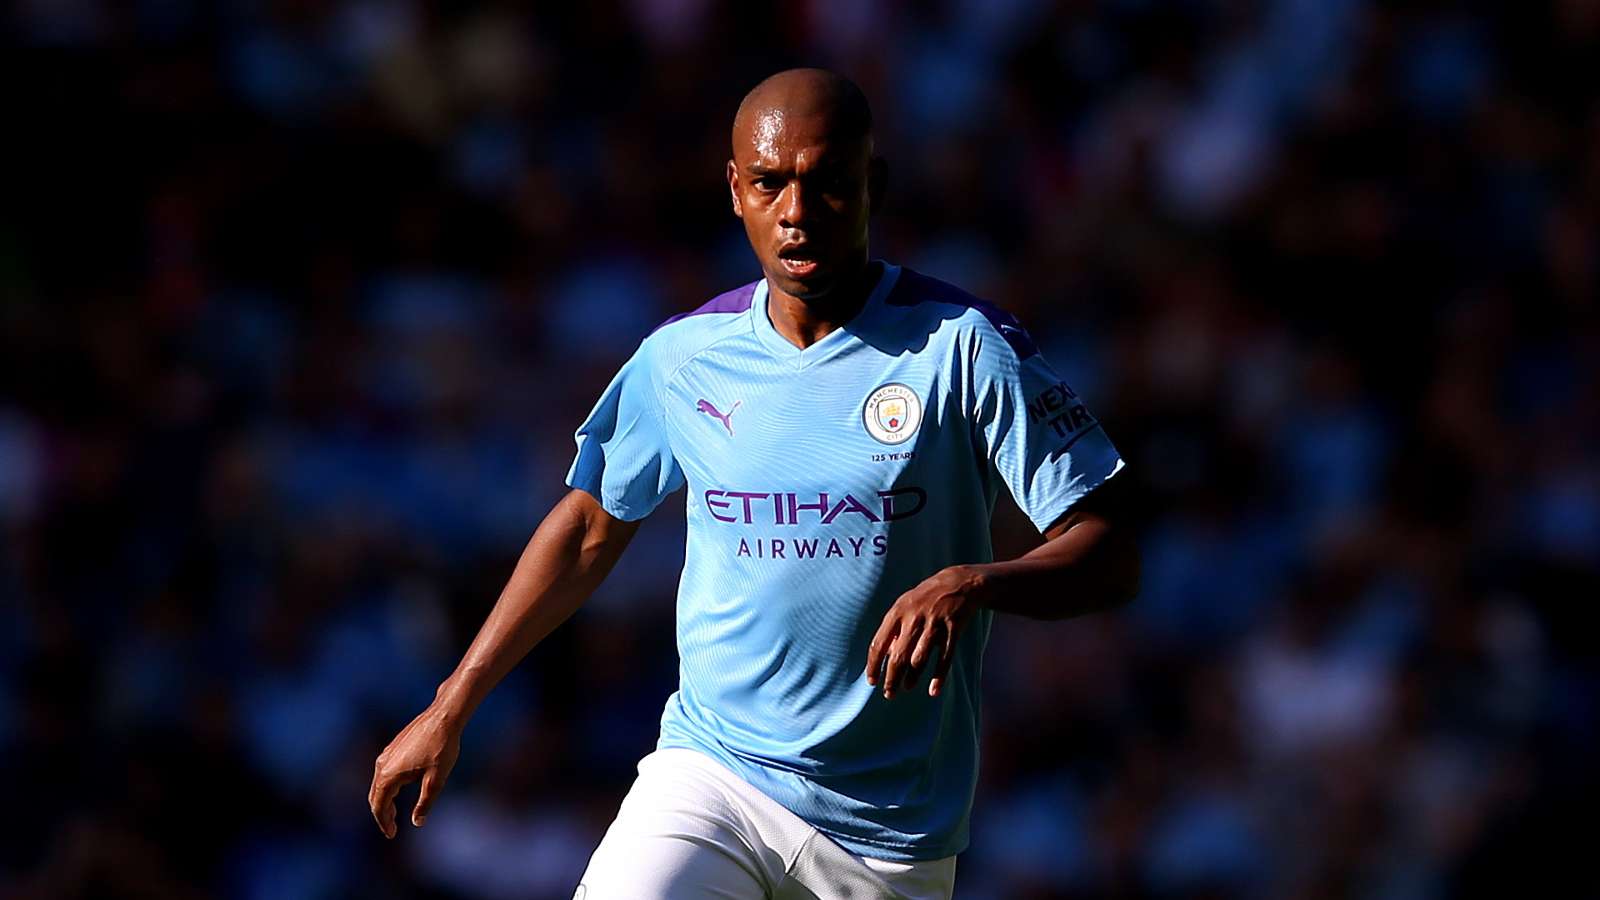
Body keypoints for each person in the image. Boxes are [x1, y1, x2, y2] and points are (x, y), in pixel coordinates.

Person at [368, 68, 1140, 899]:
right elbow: (589, 527)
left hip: (888, 828)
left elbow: (1111, 551)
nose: (796, 212)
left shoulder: (964, 346)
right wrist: (452, 703)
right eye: (770, 184)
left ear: (872, 185)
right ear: (736, 190)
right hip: (714, 775)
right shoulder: (683, 356)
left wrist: (975, 583)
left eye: (826, 182)